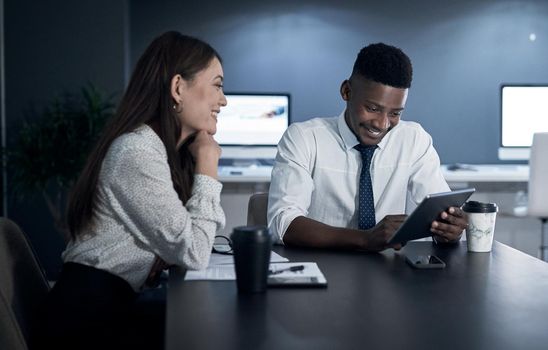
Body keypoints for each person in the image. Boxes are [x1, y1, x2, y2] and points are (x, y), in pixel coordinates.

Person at [36, 31, 227, 349]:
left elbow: (186, 244)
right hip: (84, 323)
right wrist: (208, 162)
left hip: (110, 306)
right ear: (178, 88)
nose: (224, 100)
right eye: (218, 85)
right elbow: (194, 251)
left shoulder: (159, 152)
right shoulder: (136, 152)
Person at [267, 43, 467, 252]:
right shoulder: (304, 138)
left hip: (389, 273)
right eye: (372, 108)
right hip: (322, 267)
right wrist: (364, 239)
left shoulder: (414, 139)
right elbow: (283, 223)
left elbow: (439, 211)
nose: (382, 124)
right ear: (346, 91)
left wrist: (449, 230)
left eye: (395, 113)